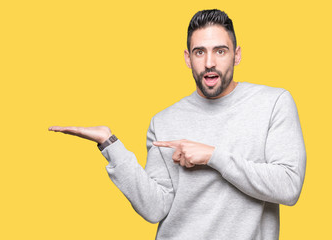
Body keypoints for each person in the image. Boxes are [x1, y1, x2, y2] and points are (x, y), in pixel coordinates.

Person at [49, 9, 306, 240]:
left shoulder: (273, 103)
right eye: (199, 52)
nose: (209, 63)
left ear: (236, 55)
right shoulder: (164, 121)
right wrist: (109, 144)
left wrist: (213, 156)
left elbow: (289, 186)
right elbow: (155, 208)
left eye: (220, 51)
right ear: (187, 58)